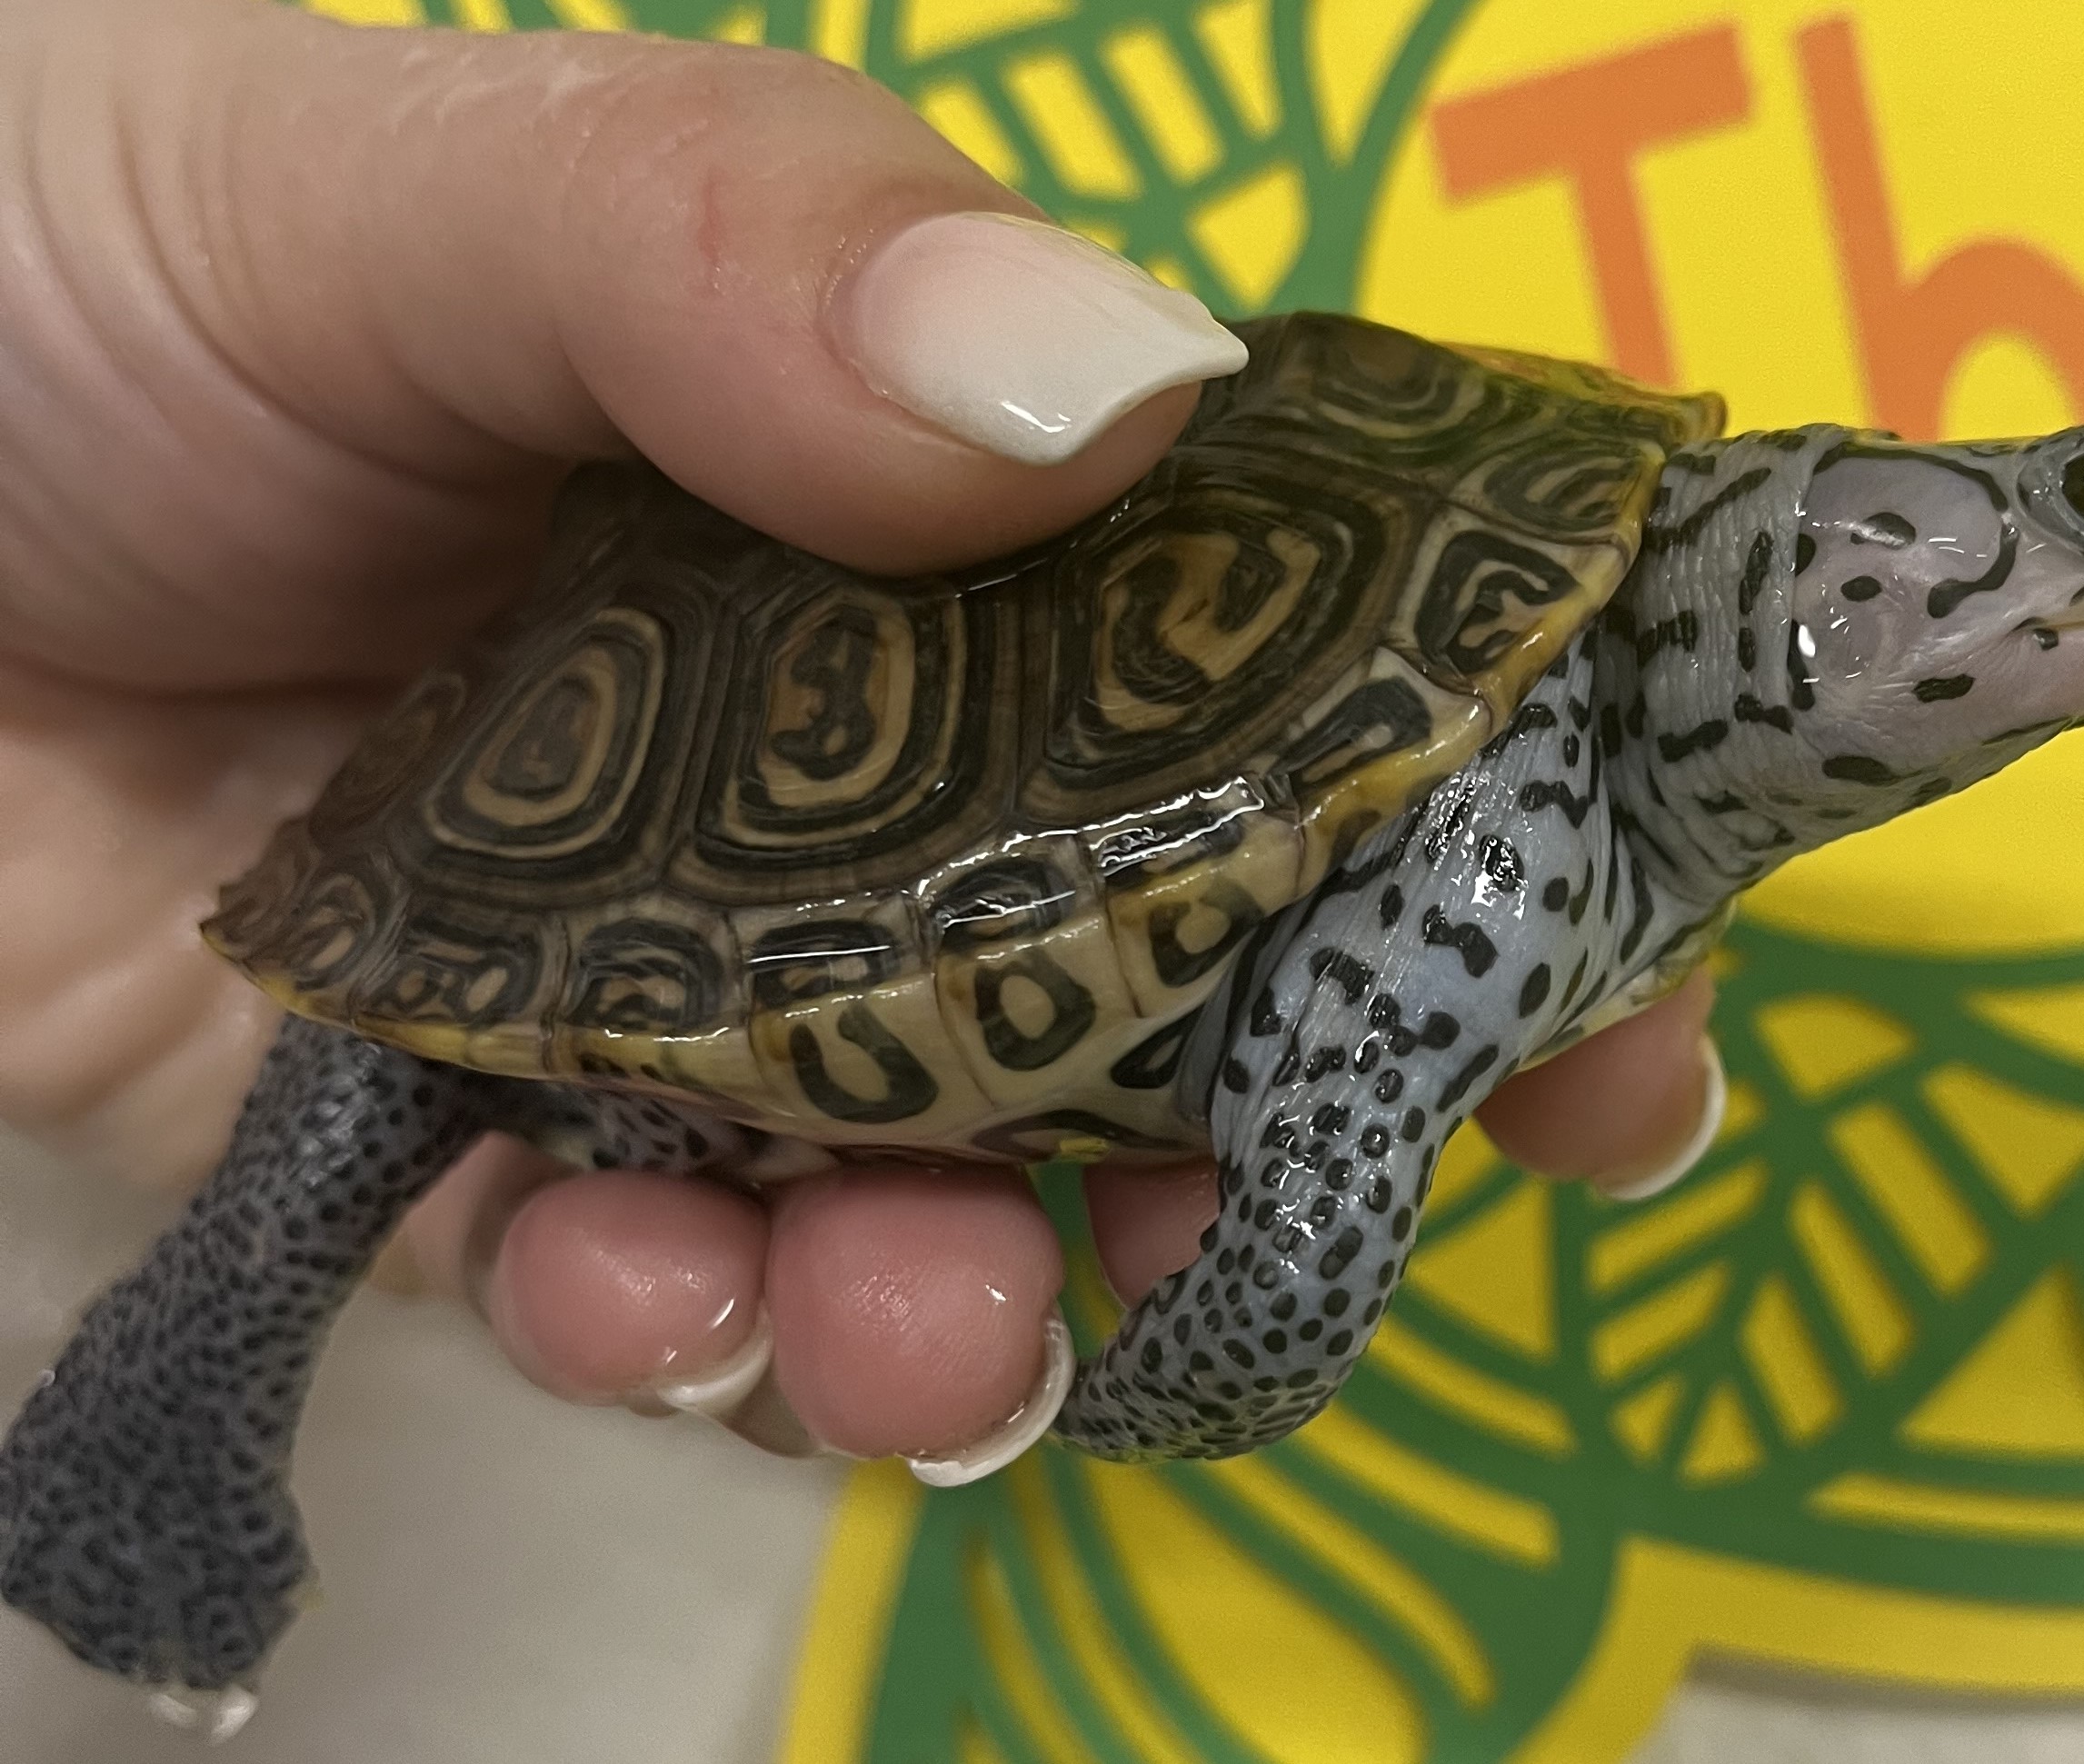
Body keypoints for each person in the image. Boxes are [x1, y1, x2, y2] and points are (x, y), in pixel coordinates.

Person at [0, 0, 1721, 1479]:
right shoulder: (1527, 773)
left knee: (761, 1297)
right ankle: (171, 1408)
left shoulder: (1604, 768)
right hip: (633, 855)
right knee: (371, 1109)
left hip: (624, 807)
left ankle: (174, 1400)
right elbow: (1307, 1202)